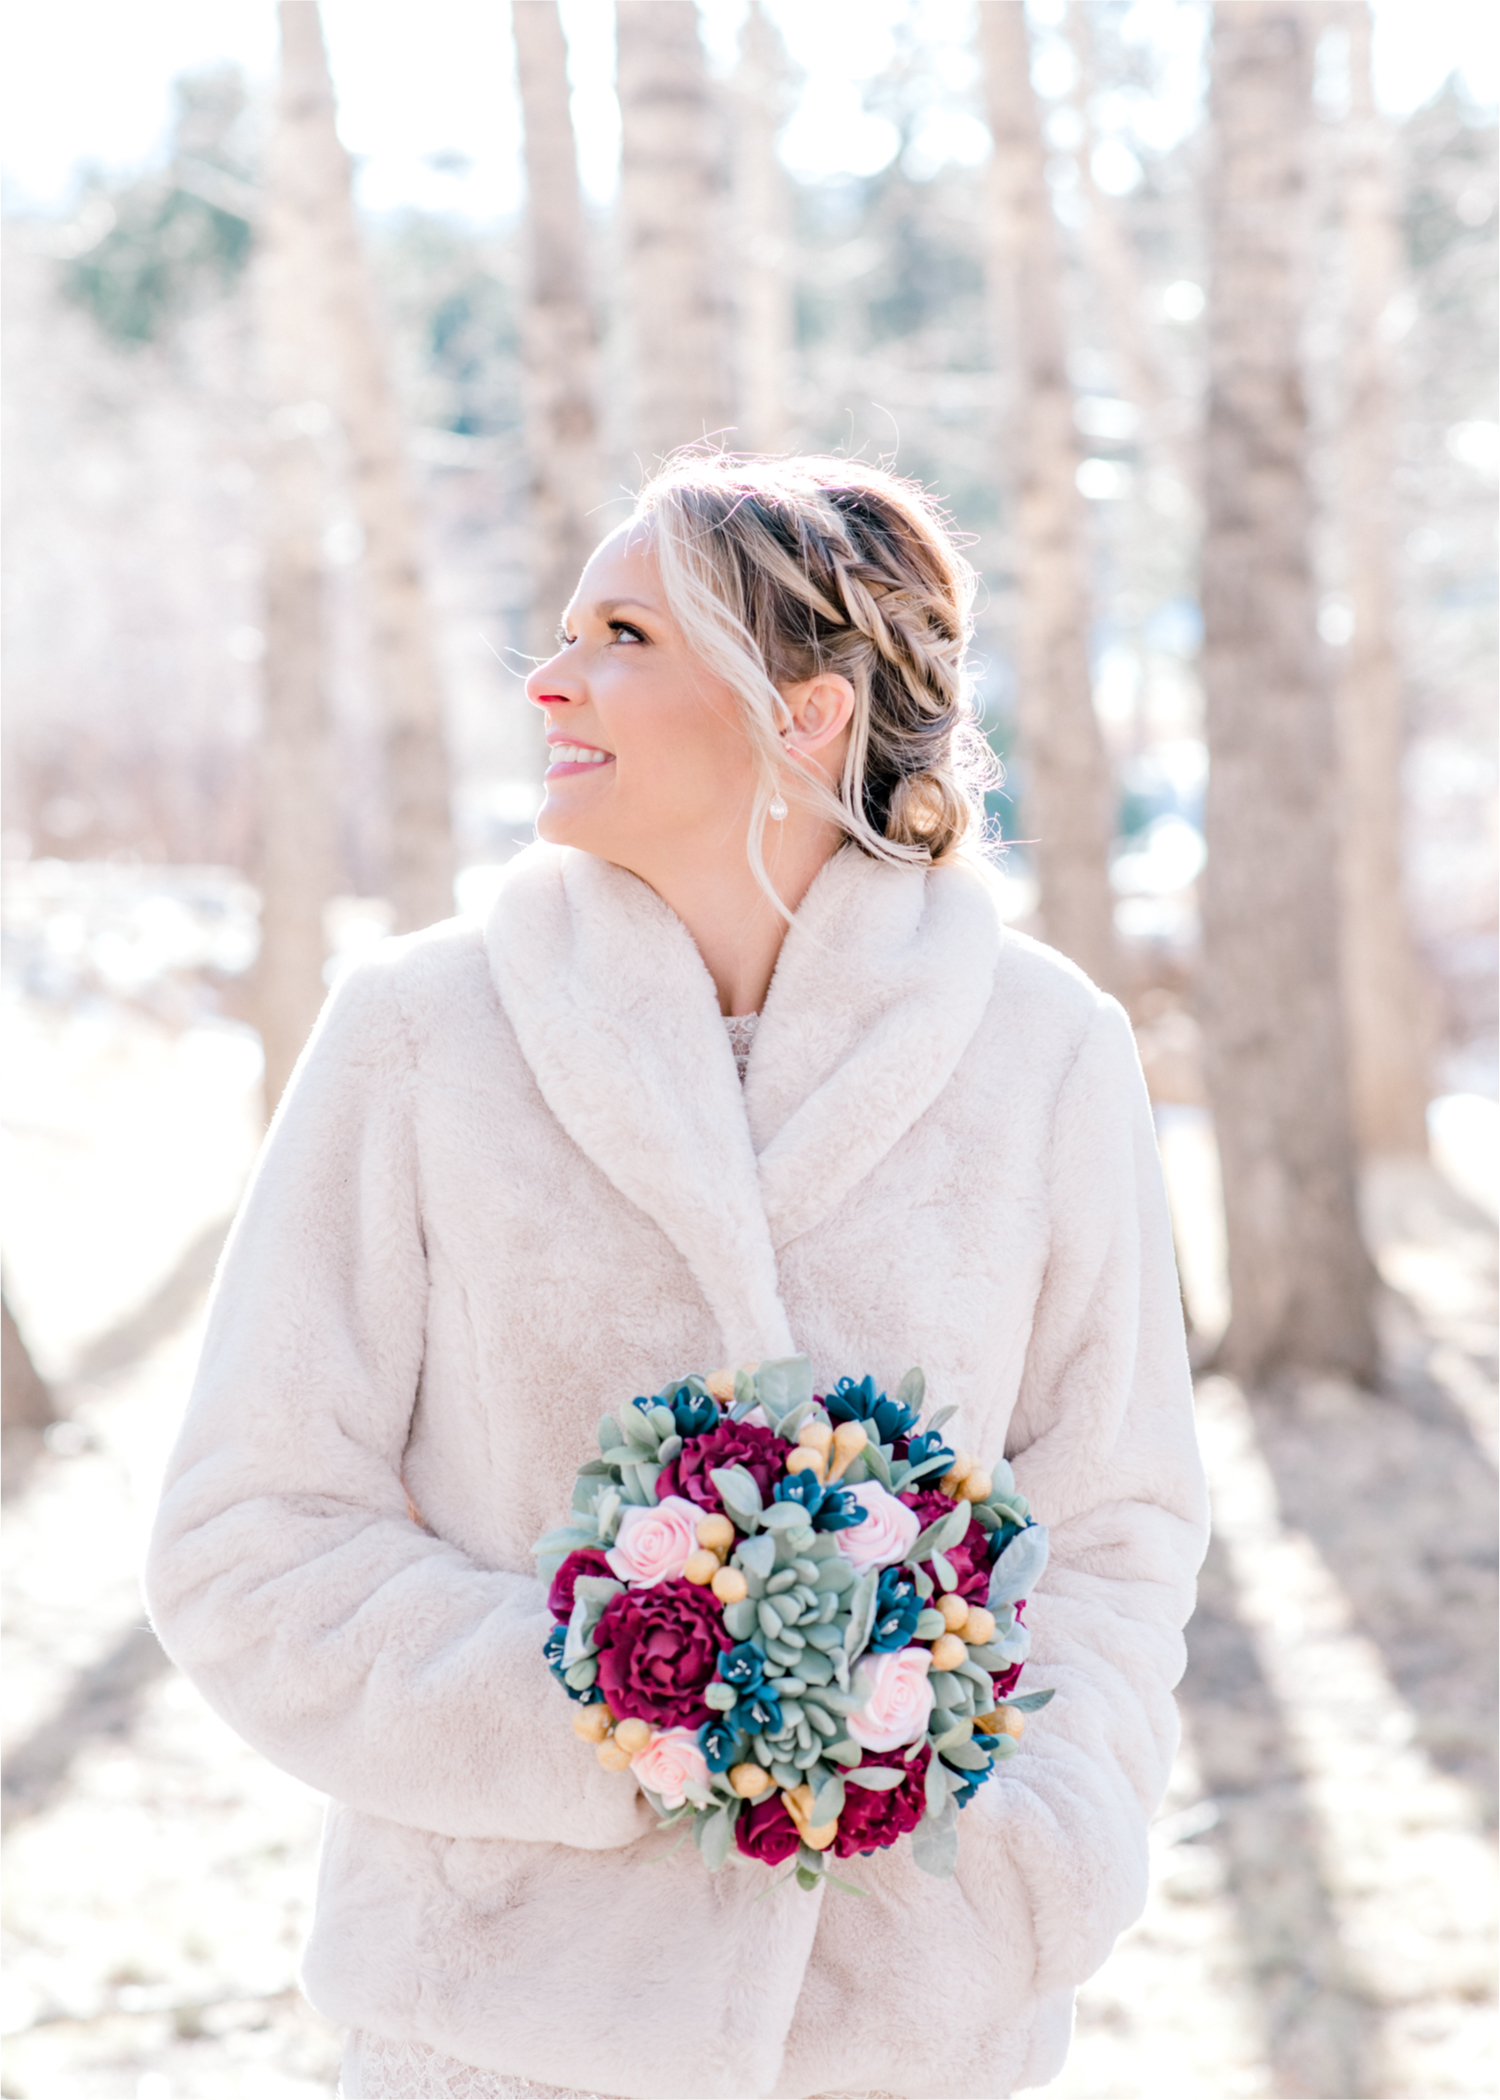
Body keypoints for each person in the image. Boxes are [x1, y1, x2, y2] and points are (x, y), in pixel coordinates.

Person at [145, 454, 1209, 2100]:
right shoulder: (421, 1033)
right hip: (502, 2026)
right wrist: (634, 1695)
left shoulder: (1045, 1050)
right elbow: (250, 1534)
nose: (549, 678)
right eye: (562, 632)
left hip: (913, 2033)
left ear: (805, 713)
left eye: (623, 632)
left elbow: (1117, 1522)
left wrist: (1038, 1858)